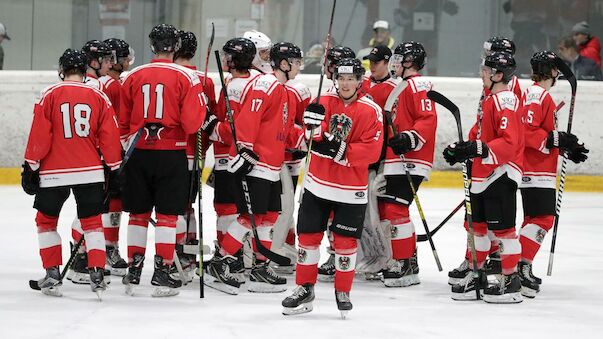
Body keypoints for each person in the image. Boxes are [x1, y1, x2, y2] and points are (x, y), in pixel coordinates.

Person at [281, 57, 383, 317]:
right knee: (308, 239)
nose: (346, 83)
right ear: (335, 80)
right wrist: (311, 129)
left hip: (351, 190)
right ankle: (304, 288)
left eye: (351, 78)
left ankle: (343, 290)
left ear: (360, 81)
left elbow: (372, 151)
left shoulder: (371, 110)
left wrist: (338, 148)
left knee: (346, 242)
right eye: (342, 78)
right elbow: (311, 138)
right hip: (317, 185)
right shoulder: (323, 101)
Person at [204, 42, 302, 295]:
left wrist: (304, 139)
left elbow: (285, 128)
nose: (300, 67)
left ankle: (260, 267)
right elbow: (248, 119)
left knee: (269, 216)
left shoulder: (282, 89)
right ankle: (220, 261)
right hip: (256, 162)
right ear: (284, 63)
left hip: (272, 163)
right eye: (297, 62)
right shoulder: (264, 85)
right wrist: (245, 149)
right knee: (252, 217)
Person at [23, 48, 122, 297]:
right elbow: (109, 136)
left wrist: (31, 165)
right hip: (89, 171)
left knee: (46, 222)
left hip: (54, 172)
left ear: (62, 69)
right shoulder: (98, 95)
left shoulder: (50, 93)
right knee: (92, 224)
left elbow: (39, 134)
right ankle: (97, 273)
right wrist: (114, 167)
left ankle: (52, 273)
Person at [119, 24, 206, 297]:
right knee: (168, 216)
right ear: (176, 47)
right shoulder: (187, 78)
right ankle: (162, 270)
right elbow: (192, 124)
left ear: (152, 46)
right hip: (172, 153)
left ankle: (133, 269)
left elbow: (122, 121)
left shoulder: (133, 75)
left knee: (138, 214)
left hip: (139, 154)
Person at [444, 51, 524, 304]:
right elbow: (481, 133)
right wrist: (463, 148)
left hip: (500, 172)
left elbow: (510, 143)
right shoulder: (489, 99)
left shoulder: (506, 101)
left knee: (503, 230)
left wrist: (477, 149)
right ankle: (477, 273)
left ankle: (510, 279)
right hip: (482, 172)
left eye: (486, 70)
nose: (482, 74)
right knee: (477, 228)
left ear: (498, 75)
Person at [518, 51, 589, 298]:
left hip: (537, 166)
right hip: (535, 169)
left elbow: (543, 135)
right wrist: (554, 139)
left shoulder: (533, 94)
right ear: (552, 71)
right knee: (543, 219)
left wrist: (565, 148)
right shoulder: (538, 95)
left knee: (532, 219)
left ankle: (518, 265)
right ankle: (519, 264)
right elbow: (527, 131)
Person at [377, 41, 437, 287]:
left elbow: (428, 118)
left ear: (411, 61)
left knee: (395, 210)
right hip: (398, 159)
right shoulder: (402, 86)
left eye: (401, 58)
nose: (395, 62)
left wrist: (410, 137)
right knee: (393, 209)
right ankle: (408, 261)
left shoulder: (419, 84)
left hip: (412, 159)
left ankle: (404, 264)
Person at [203, 37, 260, 283]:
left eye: (229, 56)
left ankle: (228, 257)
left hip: (230, 157)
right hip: (233, 158)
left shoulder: (237, 86)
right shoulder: (237, 81)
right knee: (230, 208)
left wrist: (211, 125)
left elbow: (233, 129)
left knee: (227, 208)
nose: (225, 59)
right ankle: (231, 255)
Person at [68, 39, 117, 284]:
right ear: (93, 61)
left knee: (90, 210)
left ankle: (81, 255)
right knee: (92, 211)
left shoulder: (80, 84)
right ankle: (79, 259)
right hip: (93, 160)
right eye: (106, 59)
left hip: (78, 158)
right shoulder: (97, 86)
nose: (111, 63)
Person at [173, 30, 218, 283]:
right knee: (186, 206)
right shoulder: (204, 81)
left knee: (172, 208)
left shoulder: (170, 77)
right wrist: (204, 150)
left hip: (171, 153)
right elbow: (209, 122)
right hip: (194, 154)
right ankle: (188, 249)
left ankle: (178, 250)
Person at [315, 45, 356, 282]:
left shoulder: (350, 90)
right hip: (327, 165)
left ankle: (342, 257)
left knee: (343, 218)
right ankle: (334, 256)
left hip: (348, 164)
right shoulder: (328, 92)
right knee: (329, 216)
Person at [95, 37, 133, 277]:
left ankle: (96, 249)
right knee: (112, 202)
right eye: (125, 56)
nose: (129, 60)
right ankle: (109, 247)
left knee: (100, 203)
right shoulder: (114, 86)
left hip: (96, 153)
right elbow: (119, 123)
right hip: (111, 152)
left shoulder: (99, 82)